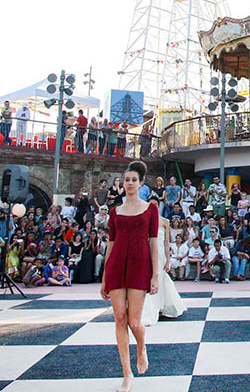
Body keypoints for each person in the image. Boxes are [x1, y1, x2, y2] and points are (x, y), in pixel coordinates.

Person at [100, 161, 159, 392]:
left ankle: (141, 346)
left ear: (141, 183)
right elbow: (111, 244)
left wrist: (155, 275)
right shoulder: (115, 212)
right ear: (122, 184)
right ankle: (127, 374)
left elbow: (153, 242)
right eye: (127, 180)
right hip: (116, 265)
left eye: (134, 180)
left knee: (134, 321)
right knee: (119, 318)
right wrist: (104, 277)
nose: (130, 183)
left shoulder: (150, 209)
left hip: (139, 264)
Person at [141, 195, 186, 325]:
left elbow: (166, 242)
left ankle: (161, 307)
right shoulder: (144, 220)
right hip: (148, 253)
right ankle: (151, 307)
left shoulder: (165, 221)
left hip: (161, 254)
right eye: (151, 204)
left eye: (155, 204)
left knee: (160, 278)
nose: (153, 206)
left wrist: (167, 260)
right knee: (149, 278)